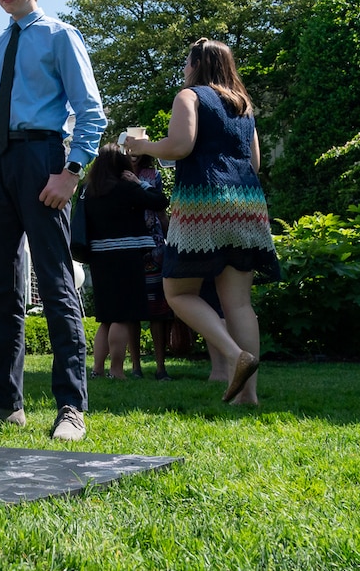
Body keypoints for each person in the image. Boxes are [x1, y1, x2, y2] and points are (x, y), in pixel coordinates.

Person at [0, 0, 106, 442]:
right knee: (0, 288)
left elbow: (91, 112)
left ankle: (71, 407)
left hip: (44, 160)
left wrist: (70, 174)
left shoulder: (60, 36)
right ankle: (5, 402)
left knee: (54, 283)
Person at [126, 38, 280, 405]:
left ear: (197, 65)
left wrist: (143, 147)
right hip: (248, 203)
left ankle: (232, 354)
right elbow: (255, 163)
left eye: (186, 63)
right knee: (239, 303)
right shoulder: (243, 107)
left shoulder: (190, 96)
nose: (183, 69)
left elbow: (180, 146)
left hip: (203, 202)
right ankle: (249, 397)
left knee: (177, 293)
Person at [83, 142, 168, 380]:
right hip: (127, 257)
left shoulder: (88, 190)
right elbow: (160, 201)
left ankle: (97, 369)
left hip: (98, 258)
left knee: (106, 317)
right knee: (123, 315)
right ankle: (117, 371)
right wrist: (139, 182)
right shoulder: (125, 188)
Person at [132, 149, 174, 380]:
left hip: (155, 247)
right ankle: (136, 367)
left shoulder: (152, 175)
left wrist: (171, 237)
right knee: (132, 311)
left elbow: (160, 208)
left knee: (159, 311)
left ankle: (160, 367)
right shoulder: (113, 175)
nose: (133, 154)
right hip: (128, 249)